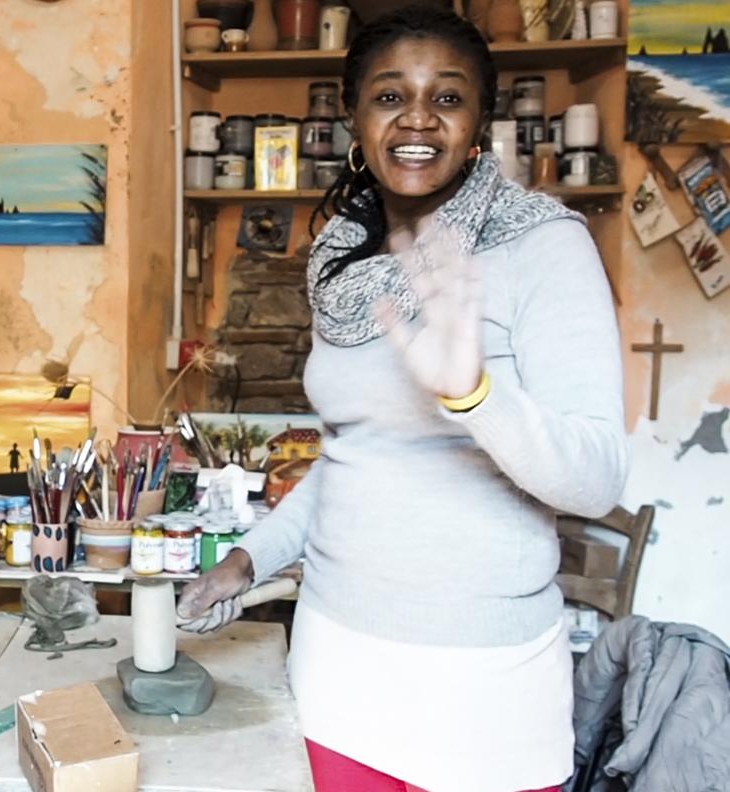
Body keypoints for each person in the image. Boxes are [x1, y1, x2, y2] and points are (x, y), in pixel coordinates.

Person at [176, 7, 628, 792]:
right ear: (353, 115)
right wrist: (250, 559)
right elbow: (356, 458)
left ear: (479, 121)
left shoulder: (544, 245)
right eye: (390, 96)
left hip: (488, 693)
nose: (417, 119)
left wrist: (473, 396)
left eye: (447, 98)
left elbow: (596, 479)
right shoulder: (340, 261)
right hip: (337, 673)